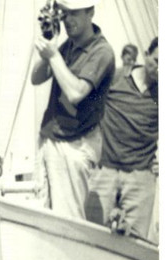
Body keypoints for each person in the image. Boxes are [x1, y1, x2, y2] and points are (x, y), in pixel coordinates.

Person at [30, 0, 115, 221]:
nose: (68, 19)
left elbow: (75, 93)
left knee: (68, 221)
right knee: (43, 218)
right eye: (64, 14)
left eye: (74, 13)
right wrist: (49, 47)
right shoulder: (68, 46)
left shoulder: (101, 51)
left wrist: (54, 56)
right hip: (52, 138)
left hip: (76, 144)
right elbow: (36, 78)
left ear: (91, 12)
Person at [87, 37, 158, 240]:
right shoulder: (115, 78)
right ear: (145, 55)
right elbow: (85, 108)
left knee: (135, 246)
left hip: (140, 178)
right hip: (104, 172)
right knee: (93, 237)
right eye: (156, 61)